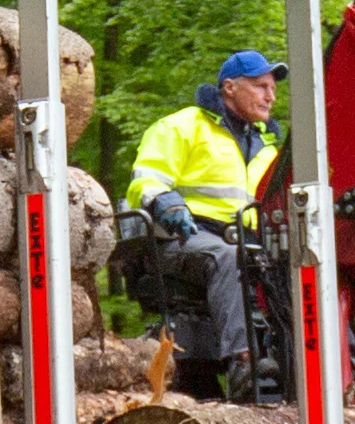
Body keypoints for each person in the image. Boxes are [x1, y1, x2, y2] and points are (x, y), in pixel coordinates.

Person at [115, 49, 287, 397]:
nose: (271, 96)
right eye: (260, 86)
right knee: (226, 257)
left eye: (272, 88)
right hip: (181, 239)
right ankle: (243, 362)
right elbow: (146, 181)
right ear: (229, 87)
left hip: (250, 243)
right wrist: (168, 203)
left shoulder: (269, 147)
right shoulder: (183, 126)